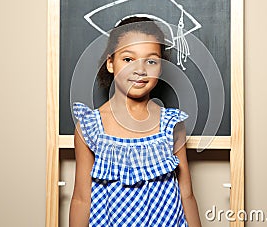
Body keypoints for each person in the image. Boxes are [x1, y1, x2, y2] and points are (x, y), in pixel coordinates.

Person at [69, 17, 201, 227]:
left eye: (151, 61)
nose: (140, 70)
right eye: (128, 59)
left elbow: (187, 195)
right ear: (111, 63)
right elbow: (81, 199)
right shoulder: (89, 127)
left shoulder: (172, 124)